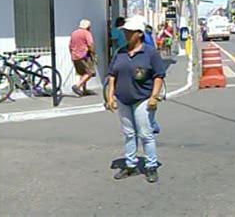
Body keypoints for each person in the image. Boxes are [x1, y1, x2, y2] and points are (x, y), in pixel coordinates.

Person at [106, 15, 166, 183]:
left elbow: (159, 75)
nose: (126, 35)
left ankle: (151, 166)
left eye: (129, 32)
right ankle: (130, 165)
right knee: (129, 134)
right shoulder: (121, 52)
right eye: (125, 31)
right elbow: (112, 75)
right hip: (123, 98)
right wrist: (110, 96)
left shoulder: (150, 53)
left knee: (145, 134)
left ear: (139, 34)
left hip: (143, 98)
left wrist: (154, 96)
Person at [69, 19, 97, 96]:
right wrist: (94, 54)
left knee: (82, 73)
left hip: (75, 56)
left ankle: (84, 89)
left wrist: (71, 54)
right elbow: (90, 44)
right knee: (90, 72)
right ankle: (77, 86)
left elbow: (70, 45)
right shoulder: (86, 33)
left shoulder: (74, 33)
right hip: (84, 56)